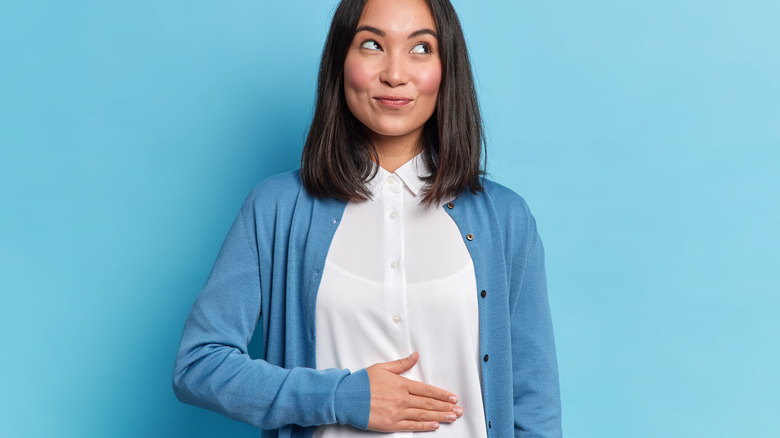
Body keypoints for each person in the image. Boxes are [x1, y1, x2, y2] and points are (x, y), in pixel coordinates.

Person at [172, 0, 562, 436]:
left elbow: (535, 405)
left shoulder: (505, 220)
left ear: (446, 68)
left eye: (420, 48)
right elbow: (199, 363)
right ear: (341, 61)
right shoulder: (276, 209)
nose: (395, 74)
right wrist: (342, 396)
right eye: (372, 44)